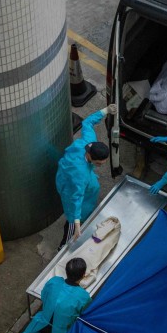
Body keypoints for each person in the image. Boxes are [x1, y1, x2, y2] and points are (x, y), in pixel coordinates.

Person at [2, 258, 91, 333]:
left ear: (66, 271)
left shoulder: (54, 282)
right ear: (83, 275)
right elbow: (83, 315)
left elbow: (44, 295)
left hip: (43, 326)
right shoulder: (83, 296)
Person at [56, 104, 117, 247]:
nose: (101, 165)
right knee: (72, 219)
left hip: (67, 175)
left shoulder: (89, 142)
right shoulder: (80, 174)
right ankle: (63, 245)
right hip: (70, 187)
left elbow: (87, 122)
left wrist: (105, 110)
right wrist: (77, 222)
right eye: (99, 163)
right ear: (90, 157)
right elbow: (76, 197)